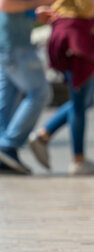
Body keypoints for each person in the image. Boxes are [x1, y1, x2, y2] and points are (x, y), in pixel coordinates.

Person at [28, 0, 94, 175]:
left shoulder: (73, 22)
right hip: (74, 37)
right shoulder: (73, 24)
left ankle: (44, 135)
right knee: (79, 104)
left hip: (75, 29)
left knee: (83, 102)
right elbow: (88, 5)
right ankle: (78, 160)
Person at [0, 0, 53, 175]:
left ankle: (5, 155)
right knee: (40, 92)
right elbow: (6, 4)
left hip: (9, 44)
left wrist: (35, 14)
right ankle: (8, 145)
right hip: (16, 46)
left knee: (7, 99)